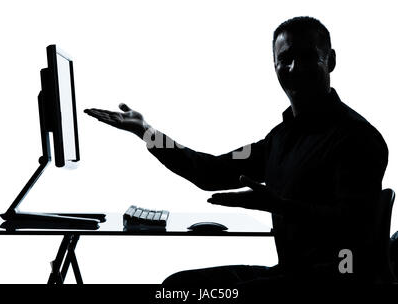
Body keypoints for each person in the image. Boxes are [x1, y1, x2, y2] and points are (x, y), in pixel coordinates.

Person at [84, 16, 388, 284]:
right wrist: (146, 132)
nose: (295, 68)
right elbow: (209, 170)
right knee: (179, 286)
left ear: (330, 60)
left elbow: (352, 224)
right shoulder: (278, 140)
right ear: (274, 66)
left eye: (308, 57)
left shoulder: (357, 139)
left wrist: (279, 206)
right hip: (290, 272)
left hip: (337, 278)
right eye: (286, 59)